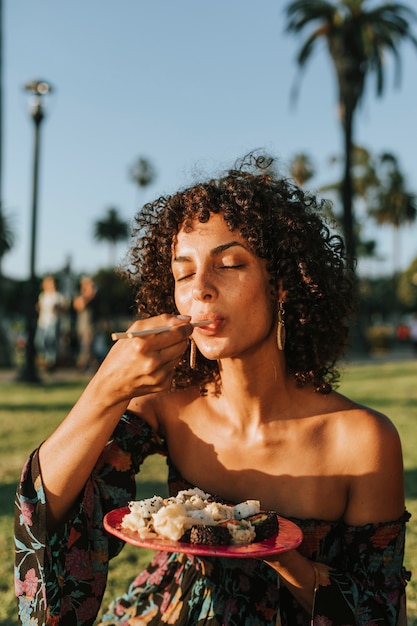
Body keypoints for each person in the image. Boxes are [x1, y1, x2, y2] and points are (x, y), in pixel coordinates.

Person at [15, 154, 410, 626]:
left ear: (280, 283)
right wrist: (105, 390)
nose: (199, 287)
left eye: (228, 264)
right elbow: (46, 519)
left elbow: (380, 613)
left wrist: (277, 554)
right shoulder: (166, 407)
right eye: (183, 272)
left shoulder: (363, 441)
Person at [35, 274, 66, 371]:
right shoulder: (42, 295)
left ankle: (50, 361)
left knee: (50, 341)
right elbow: (39, 307)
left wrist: (57, 309)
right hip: (42, 322)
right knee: (39, 341)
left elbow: (63, 309)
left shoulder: (58, 296)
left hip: (52, 321)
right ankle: (43, 358)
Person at [73, 275, 103, 370]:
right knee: (86, 347)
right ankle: (88, 365)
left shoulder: (96, 298)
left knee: (88, 348)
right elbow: (79, 305)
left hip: (91, 326)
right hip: (82, 326)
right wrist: (88, 295)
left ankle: (83, 364)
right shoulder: (81, 296)